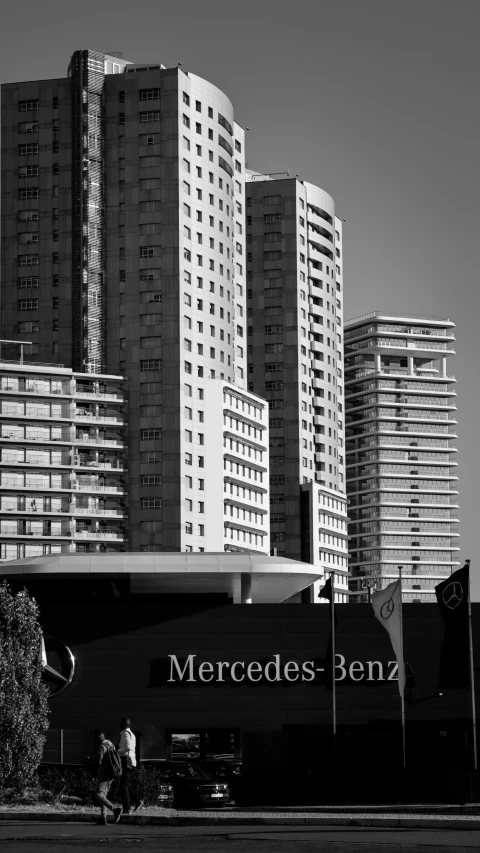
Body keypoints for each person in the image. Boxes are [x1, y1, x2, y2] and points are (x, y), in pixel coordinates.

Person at [93, 732, 123, 825]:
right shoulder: (110, 744)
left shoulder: (101, 747)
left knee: (99, 795)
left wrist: (95, 771)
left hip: (104, 774)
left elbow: (99, 761)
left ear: (99, 738)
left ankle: (115, 809)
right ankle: (103, 818)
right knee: (103, 795)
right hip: (112, 773)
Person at [117, 717, 144, 814]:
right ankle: (137, 801)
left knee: (123, 785)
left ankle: (127, 808)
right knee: (126, 784)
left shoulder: (125, 733)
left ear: (124, 725)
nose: (119, 725)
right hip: (132, 761)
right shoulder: (132, 734)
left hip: (126, 760)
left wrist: (118, 751)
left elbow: (128, 747)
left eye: (121, 723)